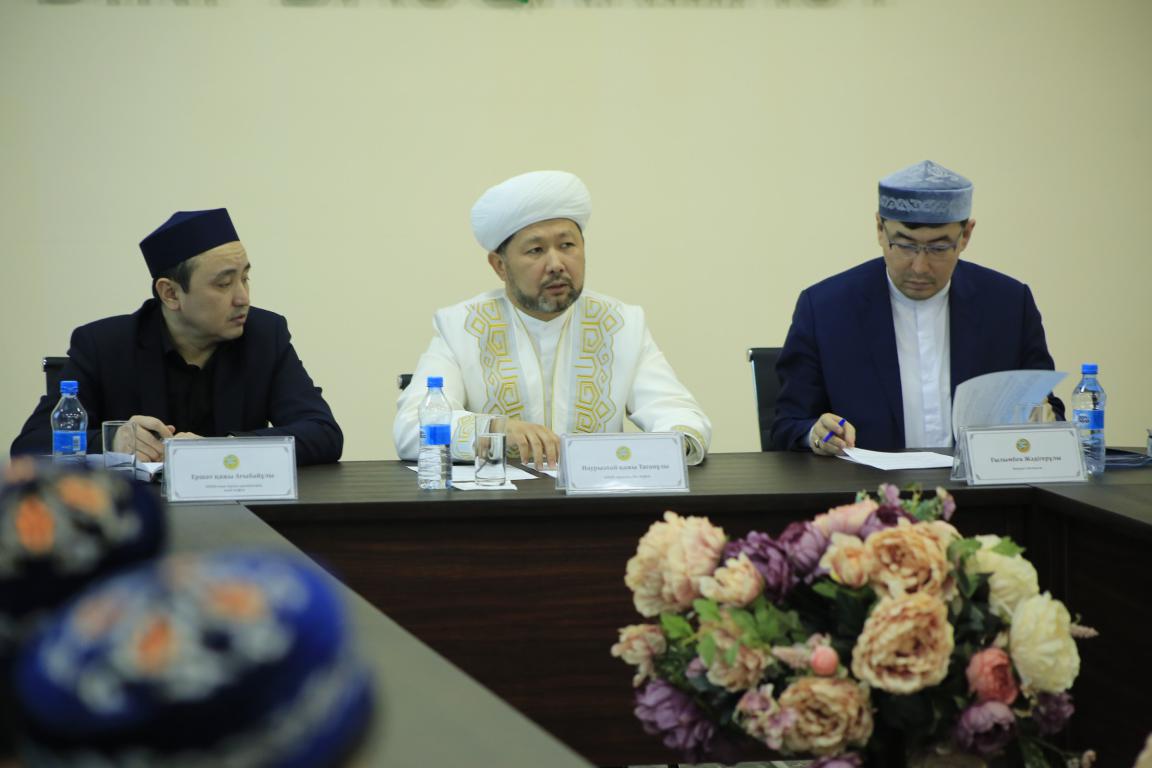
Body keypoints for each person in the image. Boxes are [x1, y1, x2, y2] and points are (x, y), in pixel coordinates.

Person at [394, 170, 711, 468]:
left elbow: (678, 414)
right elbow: (411, 430)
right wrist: (494, 431)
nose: (557, 264)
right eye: (535, 250)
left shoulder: (621, 324)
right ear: (499, 266)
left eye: (567, 245)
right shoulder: (461, 327)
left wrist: (670, 447)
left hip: (598, 500)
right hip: (497, 503)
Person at [770, 160, 1063, 455]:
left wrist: (1043, 420)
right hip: (866, 484)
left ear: (965, 235)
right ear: (880, 229)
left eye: (938, 248)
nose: (920, 267)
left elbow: (1047, 410)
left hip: (977, 483)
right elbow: (787, 426)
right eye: (905, 246)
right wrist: (815, 434)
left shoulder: (1009, 306)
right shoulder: (826, 309)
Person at [10, 208, 342, 465]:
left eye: (245, 278)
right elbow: (30, 446)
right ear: (170, 294)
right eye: (224, 284)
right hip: (138, 519)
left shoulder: (265, 335)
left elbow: (323, 433)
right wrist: (112, 441)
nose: (243, 298)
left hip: (240, 516)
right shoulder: (103, 346)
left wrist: (224, 448)